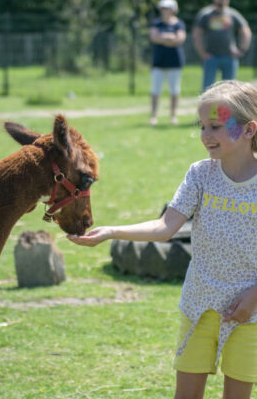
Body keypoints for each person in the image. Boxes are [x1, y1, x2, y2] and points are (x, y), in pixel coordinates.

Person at [68, 80, 257, 398]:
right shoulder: (200, 175)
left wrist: (254, 296)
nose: (205, 135)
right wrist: (114, 232)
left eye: (216, 126)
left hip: (249, 312)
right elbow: (165, 228)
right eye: (202, 126)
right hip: (199, 305)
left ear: (249, 129)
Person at [192, 0, 251, 92]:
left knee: (229, 90)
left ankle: (225, 107)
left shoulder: (233, 14)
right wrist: (202, 53)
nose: (222, 0)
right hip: (211, 57)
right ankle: (207, 107)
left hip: (229, 57)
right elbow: (197, 34)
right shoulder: (206, 14)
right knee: (207, 89)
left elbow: (245, 31)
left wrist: (242, 50)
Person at [149, 0, 186, 126]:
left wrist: (163, 38)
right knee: (155, 90)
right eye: (163, 8)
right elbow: (154, 37)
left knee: (174, 90)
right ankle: (153, 116)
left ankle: (173, 115)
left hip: (174, 62)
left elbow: (179, 39)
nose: (165, 11)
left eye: (168, 8)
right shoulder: (157, 23)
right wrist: (169, 38)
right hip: (159, 62)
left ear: (173, 10)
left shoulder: (179, 24)